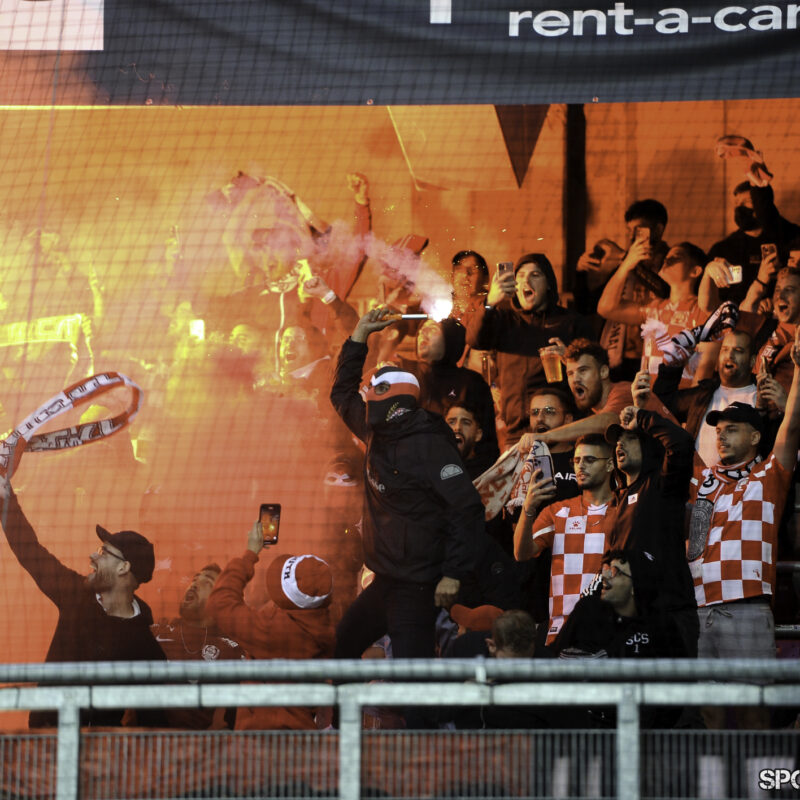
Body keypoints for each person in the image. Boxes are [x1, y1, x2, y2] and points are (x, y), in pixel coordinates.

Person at [330, 307, 485, 661]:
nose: (367, 395)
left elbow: (467, 508)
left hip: (417, 588)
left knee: (411, 677)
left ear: (394, 400)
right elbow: (340, 394)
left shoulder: (431, 445)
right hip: (384, 581)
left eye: (375, 390)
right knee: (339, 649)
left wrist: (453, 575)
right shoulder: (376, 431)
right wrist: (359, 337)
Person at [686, 328, 800, 724]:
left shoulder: (769, 476)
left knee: (754, 713)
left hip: (746, 604)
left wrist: (799, 371)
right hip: (698, 606)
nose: (721, 436)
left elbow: (791, 427)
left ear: (755, 436)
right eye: (718, 430)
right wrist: (643, 400)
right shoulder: (702, 479)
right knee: (708, 714)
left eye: (731, 429)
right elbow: (673, 440)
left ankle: (759, 770)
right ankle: (716, 770)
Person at [0, 482, 165, 727]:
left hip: (96, 747)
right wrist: (6, 501)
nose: (93, 556)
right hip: (46, 737)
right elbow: (30, 551)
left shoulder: (144, 638)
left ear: (124, 567)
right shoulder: (76, 594)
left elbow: (154, 717)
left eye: (104, 552)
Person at [603, 372, 698, 655]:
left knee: (673, 685)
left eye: (630, 438)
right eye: (617, 440)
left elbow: (681, 443)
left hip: (670, 613)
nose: (619, 444)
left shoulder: (663, 484)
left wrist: (643, 417)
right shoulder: (617, 500)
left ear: (648, 445)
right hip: (632, 617)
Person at [205, 522, 335, 730]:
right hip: (300, 731)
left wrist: (249, 554)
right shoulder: (319, 620)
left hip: (268, 738)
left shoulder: (274, 632)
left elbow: (219, 603)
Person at [465, 253, 592, 446]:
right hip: (515, 433)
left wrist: (570, 360)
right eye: (521, 275)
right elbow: (474, 339)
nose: (526, 280)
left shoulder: (571, 323)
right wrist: (489, 303)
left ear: (548, 283)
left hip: (559, 432)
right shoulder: (504, 320)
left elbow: (593, 373)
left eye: (535, 275)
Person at [513, 433, 615, 644]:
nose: (580, 466)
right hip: (563, 633)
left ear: (610, 464)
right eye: (576, 460)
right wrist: (528, 508)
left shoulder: (625, 509)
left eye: (589, 459)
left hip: (611, 629)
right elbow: (521, 554)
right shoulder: (557, 511)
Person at [597, 241, 710, 386]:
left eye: (677, 256)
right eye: (666, 256)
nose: (667, 260)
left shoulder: (702, 310)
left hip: (682, 397)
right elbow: (606, 308)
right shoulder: (655, 308)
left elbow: (705, 367)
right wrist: (626, 265)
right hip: (648, 396)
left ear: (695, 271)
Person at [151, 563, 247, 729]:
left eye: (207, 583)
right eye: (194, 579)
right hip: (145, 736)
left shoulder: (230, 648)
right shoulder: (157, 632)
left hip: (196, 741)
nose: (194, 584)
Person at [412, 317, 498, 464]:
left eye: (432, 329)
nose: (423, 332)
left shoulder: (471, 383)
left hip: (460, 470)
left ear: (450, 338)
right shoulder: (407, 380)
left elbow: (486, 444)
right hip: (416, 470)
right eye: (421, 330)